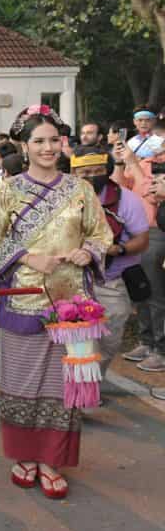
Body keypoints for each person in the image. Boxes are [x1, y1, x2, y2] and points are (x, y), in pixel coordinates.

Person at [0, 105, 111, 500]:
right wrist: (26, 257)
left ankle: (51, 460)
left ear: (63, 143)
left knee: (63, 388)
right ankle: (24, 456)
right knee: (21, 382)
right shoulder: (7, 189)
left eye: (52, 140)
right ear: (24, 146)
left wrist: (88, 252)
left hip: (72, 304)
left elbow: (101, 234)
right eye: (37, 141)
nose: (46, 147)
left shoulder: (81, 190)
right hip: (24, 298)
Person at [70, 146, 149, 380]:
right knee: (74, 339)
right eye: (85, 173)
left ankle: (92, 381)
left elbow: (142, 240)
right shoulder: (62, 199)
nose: (92, 176)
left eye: (98, 170)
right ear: (74, 173)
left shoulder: (127, 200)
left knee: (108, 339)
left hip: (111, 281)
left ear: (107, 169)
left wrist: (118, 249)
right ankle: (78, 390)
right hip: (71, 280)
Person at [112, 134, 165, 372]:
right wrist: (122, 164)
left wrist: (132, 163)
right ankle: (146, 341)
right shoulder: (144, 163)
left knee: (156, 294)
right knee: (140, 290)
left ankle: (160, 349)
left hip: (157, 232)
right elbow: (122, 190)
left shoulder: (141, 164)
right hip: (135, 232)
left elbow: (153, 196)